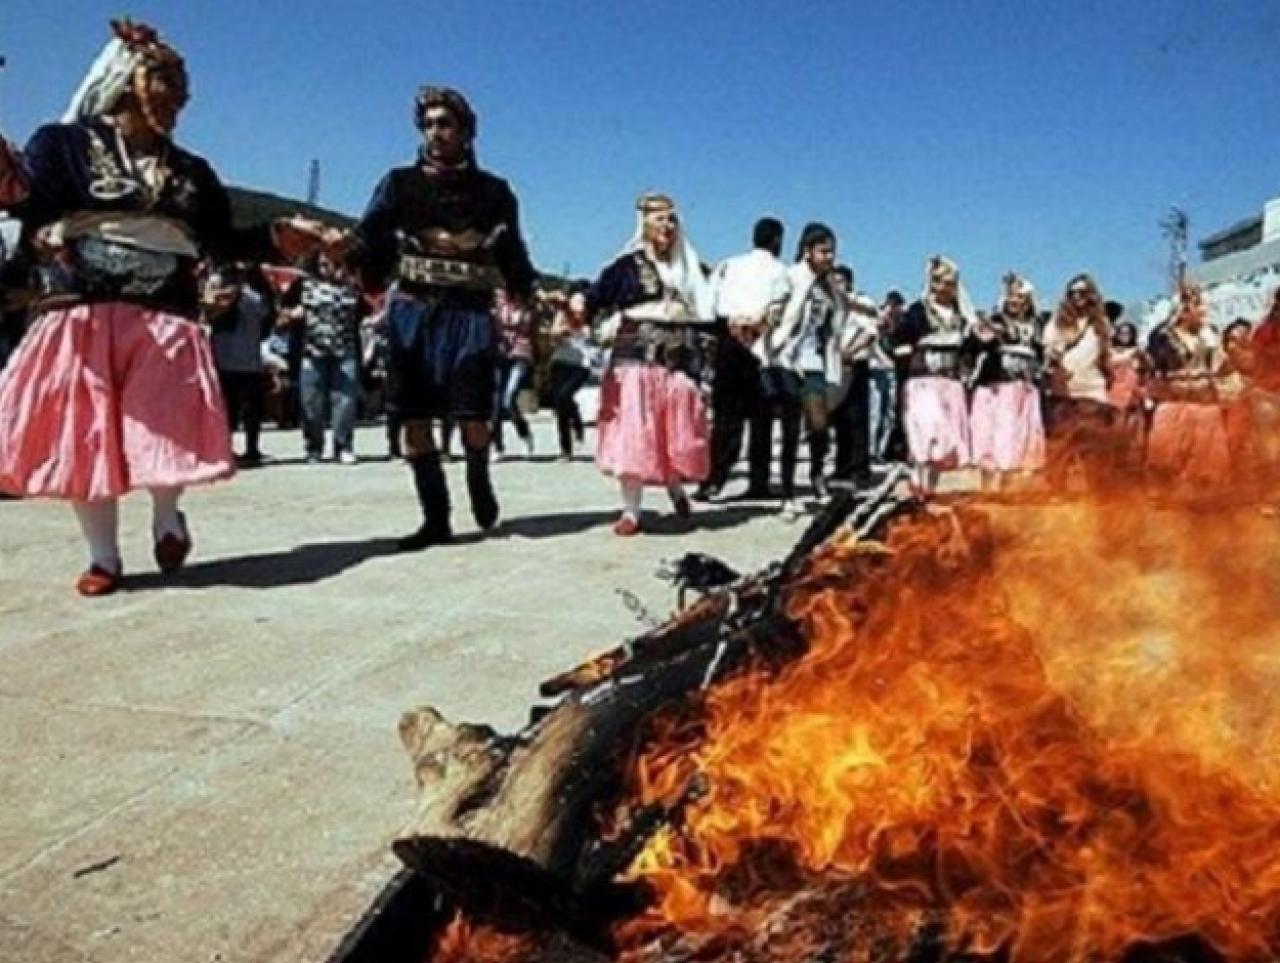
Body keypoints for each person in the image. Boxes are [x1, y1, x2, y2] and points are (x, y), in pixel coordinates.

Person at [0, 20, 284, 595]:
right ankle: (103, 558)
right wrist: (32, 221)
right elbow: (30, 206)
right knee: (87, 435)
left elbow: (223, 239)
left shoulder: (192, 171)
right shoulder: (63, 145)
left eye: (184, 85)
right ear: (128, 80)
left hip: (166, 314)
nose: (181, 95)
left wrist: (278, 238)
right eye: (168, 79)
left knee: (165, 422)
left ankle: (166, 515)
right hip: (81, 308)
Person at [344, 86, 537, 549]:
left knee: (473, 415)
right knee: (413, 418)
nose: (436, 133)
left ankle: (478, 472)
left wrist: (524, 290)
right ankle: (436, 519)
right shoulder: (398, 183)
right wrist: (350, 257)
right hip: (413, 309)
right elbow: (368, 236)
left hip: (469, 311)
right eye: (429, 124)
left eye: (445, 124)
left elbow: (513, 250)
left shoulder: (495, 191)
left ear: (466, 131)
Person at [587, 192, 713, 536]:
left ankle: (675, 487)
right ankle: (632, 511)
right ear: (643, 223)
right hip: (635, 362)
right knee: (636, 434)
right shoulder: (625, 267)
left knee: (677, 431)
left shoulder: (693, 270)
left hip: (678, 363)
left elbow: (713, 312)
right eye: (659, 219)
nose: (667, 226)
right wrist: (571, 307)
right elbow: (593, 297)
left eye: (672, 219)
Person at [754, 222, 846, 515]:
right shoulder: (790, 277)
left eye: (832, 252)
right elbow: (773, 308)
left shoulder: (829, 287)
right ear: (807, 252)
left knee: (819, 425)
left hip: (813, 360)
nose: (829, 257)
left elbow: (838, 319)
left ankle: (817, 472)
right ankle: (789, 493)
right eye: (823, 251)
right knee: (791, 427)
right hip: (785, 357)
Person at [700, 216, 789, 501]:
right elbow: (781, 309)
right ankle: (758, 482)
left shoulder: (729, 265)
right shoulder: (781, 271)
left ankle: (713, 480)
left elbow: (709, 301)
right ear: (777, 240)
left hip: (729, 339)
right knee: (761, 418)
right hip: (762, 344)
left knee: (726, 416)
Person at [893, 256, 978, 500]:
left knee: (944, 440)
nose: (943, 286)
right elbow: (900, 339)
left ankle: (929, 489)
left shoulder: (961, 316)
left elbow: (970, 348)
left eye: (949, 282)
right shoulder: (918, 311)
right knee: (928, 431)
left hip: (949, 383)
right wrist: (907, 351)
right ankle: (917, 484)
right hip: (923, 381)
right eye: (939, 281)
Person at [281, 249, 366, 464]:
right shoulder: (303, 284)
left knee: (345, 402)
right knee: (311, 403)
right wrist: (292, 315)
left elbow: (364, 314)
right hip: (311, 352)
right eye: (323, 262)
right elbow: (282, 309)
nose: (329, 266)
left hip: (345, 351)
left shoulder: (353, 287)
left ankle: (343, 446)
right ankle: (314, 447)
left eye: (335, 262)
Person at [1145, 282, 1229, 493]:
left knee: (1205, 453)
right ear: (1183, 310)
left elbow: (1221, 365)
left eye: (1201, 305)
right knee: (1168, 451)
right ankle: (1168, 490)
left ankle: (1199, 494)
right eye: (1195, 306)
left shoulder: (1209, 335)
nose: (1201, 311)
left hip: (1203, 399)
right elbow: (1153, 363)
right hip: (1174, 399)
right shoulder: (1164, 336)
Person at [967, 273, 1045, 493]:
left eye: (1020, 297)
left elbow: (1041, 354)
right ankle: (987, 487)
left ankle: (1006, 488)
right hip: (996, 388)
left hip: (1023, 388)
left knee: (1017, 438)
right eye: (1011, 296)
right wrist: (981, 340)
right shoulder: (995, 322)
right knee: (993, 434)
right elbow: (974, 347)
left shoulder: (1036, 325)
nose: (1015, 301)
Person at [1041, 273, 1118, 494]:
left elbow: (1106, 355)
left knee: (1095, 446)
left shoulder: (1101, 325)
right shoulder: (1057, 323)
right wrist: (1053, 358)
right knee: (1060, 445)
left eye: (1082, 292)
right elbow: (1049, 351)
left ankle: (1096, 494)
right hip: (1063, 391)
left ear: (1092, 295)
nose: (1077, 298)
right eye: (1072, 293)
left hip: (1093, 389)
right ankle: (1056, 492)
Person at [203, 265, 271, 467]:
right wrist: (223, 298)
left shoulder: (259, 286)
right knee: (228, 407)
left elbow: (267, 315)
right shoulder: (218, 281)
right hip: (225, 357)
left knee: (253, 408)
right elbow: (208, 310)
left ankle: (252, 449)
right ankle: (224, 448)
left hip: (251, 356)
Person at [828, 265, 879, 489]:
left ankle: (859, 469)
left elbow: (869, 332)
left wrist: (849, 351)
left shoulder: (861, 303)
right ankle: (842, 467)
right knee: (840, 420)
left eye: (839, 281)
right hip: (835, 366)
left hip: (856, 363)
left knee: (857, 419)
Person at [545, 288, 593, 460]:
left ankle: (577, 422)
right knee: (559, 404)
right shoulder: (559, 316)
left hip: (580, 366)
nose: (579, 307)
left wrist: (565, 308)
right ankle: (566, 448)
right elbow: (553, 338)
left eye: (582, 304)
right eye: (576, 303)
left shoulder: (584, 325)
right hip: (560, 363)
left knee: (565, 396)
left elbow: (576, 322)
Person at [491, 286, 536, 459]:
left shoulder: (528, 308)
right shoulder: (499, 304)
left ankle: (524, 434)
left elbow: (531, 331)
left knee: (508, 398)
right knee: (495, 401)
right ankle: (497, 445)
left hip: (521, 353)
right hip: (500, 353)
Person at [867, 290, 903, 468]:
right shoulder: (875, 322)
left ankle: (880, 450)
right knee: (875, 412)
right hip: (876, 369)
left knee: (888, 413)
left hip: (890, 369)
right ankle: (871, 450)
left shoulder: (897, 326)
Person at [1107, 320, 1149, 472]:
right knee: (1116, 431)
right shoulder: (1110, 351)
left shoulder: (1139, 352)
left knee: (1134, 430)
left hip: (1133, 392)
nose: (1125, 336)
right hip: (1115, 393)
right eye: (1122, 332)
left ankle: (1132, 466)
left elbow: (1146, 370)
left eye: (1128, 333)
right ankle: (1114, 464)